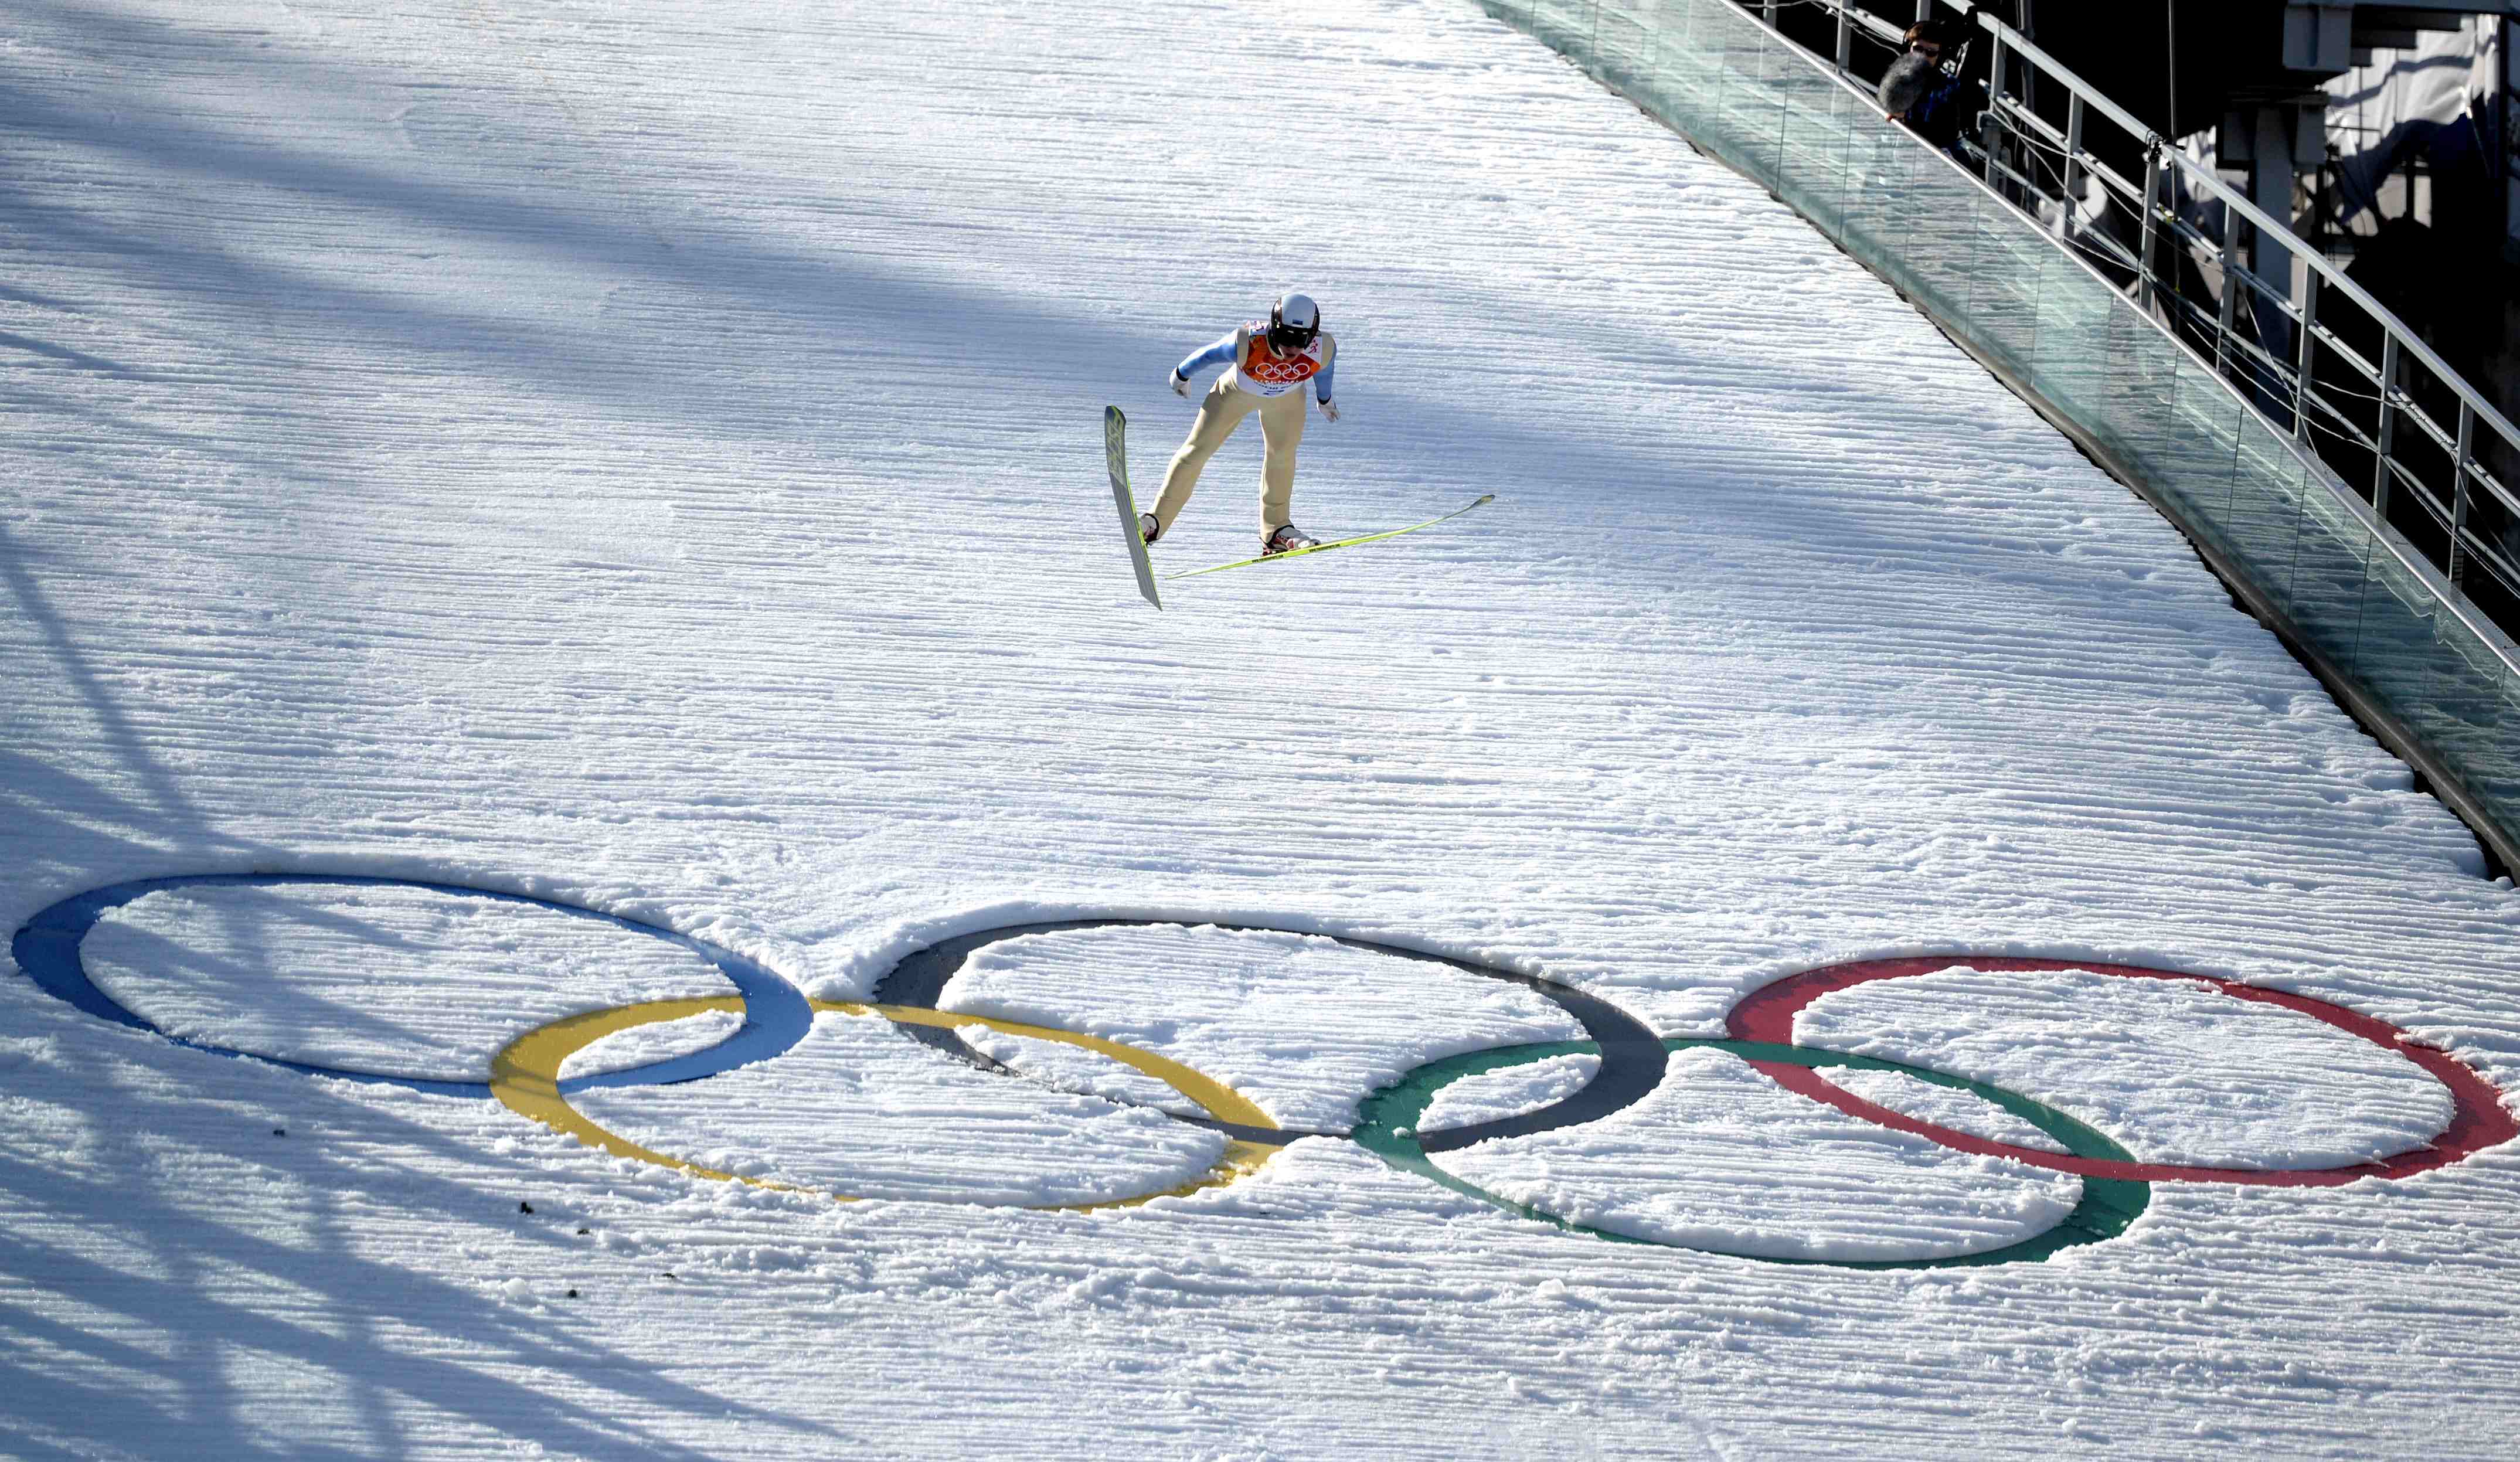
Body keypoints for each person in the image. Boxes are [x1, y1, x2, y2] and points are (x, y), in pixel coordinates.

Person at [1142, 293, 1339, 556]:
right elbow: (1209, 354)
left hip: (1287, 400)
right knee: (1197, 451)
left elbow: (1325, 370)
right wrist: (1181, 374)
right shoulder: (1248, 342)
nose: (1292, 348)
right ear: (1273, 326)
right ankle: (1154, 521)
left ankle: (1277, 531)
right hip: (1235, 394)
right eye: (1285, 336)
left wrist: (1324, 399)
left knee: (1282, 457)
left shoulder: (1323, 348)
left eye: (1301, 339)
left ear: (1312, 335)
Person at [1878, 19, 1981, 159]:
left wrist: (1907, 118)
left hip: (1931, 159)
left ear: (1940, 56)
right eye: (1918, 49)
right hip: (1895, 153)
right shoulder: (1897, 74)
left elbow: (1946, 133)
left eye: (1931, 52)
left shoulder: (1947, 87)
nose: (1923, 56)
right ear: (1909, 47)